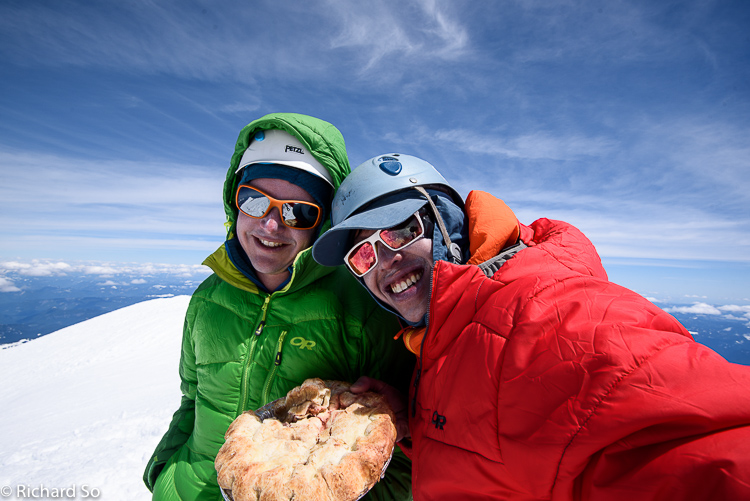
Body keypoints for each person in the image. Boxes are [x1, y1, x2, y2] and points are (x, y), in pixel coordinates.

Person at [312, 153, 750, 500]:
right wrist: (414, 421)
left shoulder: (555, 317)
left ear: (448, 222)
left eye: (399, 231)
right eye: (363, 254)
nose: (385, 260)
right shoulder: (448, 337)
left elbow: (711, 450)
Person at [143, 115, 415, 501]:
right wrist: (164, 474)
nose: (270, 226)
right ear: (234, 203)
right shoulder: (207, 298)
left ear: (323, 225)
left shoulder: (363, 308)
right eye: (254, 201)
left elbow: (395, 448)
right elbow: (192, 400)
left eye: (298, 212)